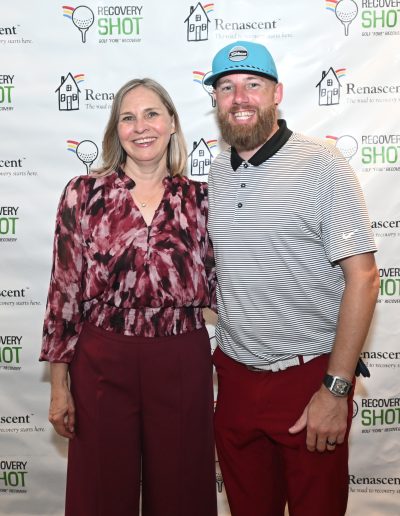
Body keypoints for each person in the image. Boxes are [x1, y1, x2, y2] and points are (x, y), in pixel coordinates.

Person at [205, 41, 380, 516]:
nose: (240, 98)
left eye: (253, 84)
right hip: (236, 379)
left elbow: (364, 278)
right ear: (216, 99)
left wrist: (335, 389)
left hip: (307, 381)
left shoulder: (322, 163)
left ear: (277, 93)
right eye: (227, 87)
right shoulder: (217, 172)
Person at [40, 78, 218, 516]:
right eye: (128, 117)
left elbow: (229, 288)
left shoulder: (202, 199)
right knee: (100, 494)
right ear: (115, 130)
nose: (141, 127)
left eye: (152, 114)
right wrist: (59, 386)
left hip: (181, 355)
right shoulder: (83, 194)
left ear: (172, 123)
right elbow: (64, 291)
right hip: (103, 357)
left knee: (183, 494)